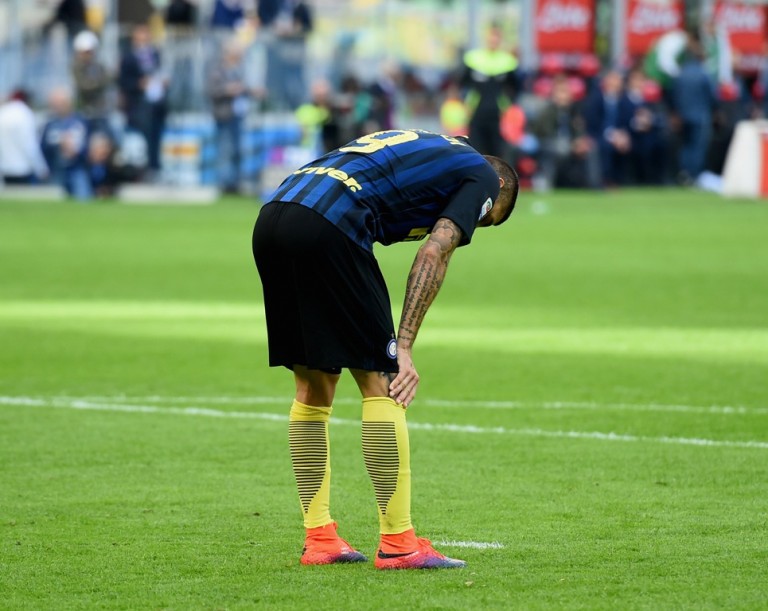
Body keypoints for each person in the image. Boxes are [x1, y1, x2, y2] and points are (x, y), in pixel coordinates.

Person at [251, 129, 519, 570]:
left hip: (275, 215)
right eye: (486, 218)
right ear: (500, 187)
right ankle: (399, 543)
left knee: (313, 387)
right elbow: (435, 251)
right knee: (384, 381)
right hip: (331, 223)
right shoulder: (485, 176)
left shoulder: (433, 148)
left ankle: (320, 539)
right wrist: (403, 347)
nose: (476, 223)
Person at [457, 24, 519, 157]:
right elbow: (462, 84)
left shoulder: (507, 62)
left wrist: (509, 106)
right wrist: (465, 102)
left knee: (498, 154)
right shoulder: (473, 59)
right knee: (476, 152)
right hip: (476, 113)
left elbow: (516, 87)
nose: (493, 40)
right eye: (491, 36)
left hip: (498, 115)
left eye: (496, 37)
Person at [118, 25, 168, 176]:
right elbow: (123, 82)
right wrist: (139, 84)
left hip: (156, 104)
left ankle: (154, 168)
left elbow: (160, 73)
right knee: (141, 140)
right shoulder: (128, 58)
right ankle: (140, 171)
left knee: (156, 137)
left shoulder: (156, 55)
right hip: (139, 106)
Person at [40, 88, 91, 200]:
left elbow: (88, 145)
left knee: (82, 199)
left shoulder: (81, 122)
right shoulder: (50, 124)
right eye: (55, 104)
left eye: (61, 103)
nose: (58, 107)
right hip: (56, 169)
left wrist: (75, 151)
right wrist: (59, 145)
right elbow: (43, 147)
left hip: (77, 168)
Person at [0, 90, 49, 186]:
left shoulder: (3, 113)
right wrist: (41, 169)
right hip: (23, 169)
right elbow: (29, 145)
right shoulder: (24, 114)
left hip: (5, 168)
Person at [71, 30, 112, 135]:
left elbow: (108, 78)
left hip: (100, 111)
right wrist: (100, 82)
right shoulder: (76, 67)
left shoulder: (98, 66)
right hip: (83, 111)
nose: (87, 55)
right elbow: (84, 86)